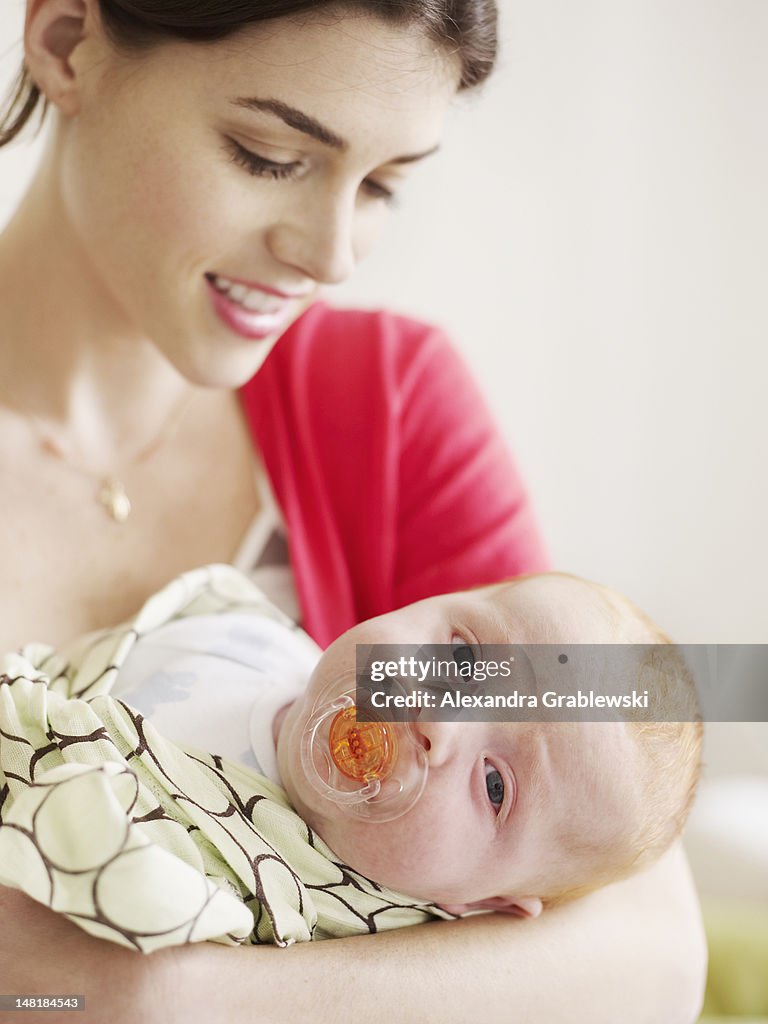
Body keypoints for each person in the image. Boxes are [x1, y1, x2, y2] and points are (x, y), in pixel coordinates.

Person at [0, 0, 706, 1021]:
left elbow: (649, 954)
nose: (331, 254)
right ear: (67, 45)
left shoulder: (386, 402)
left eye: (382, 185)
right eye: (268, 154)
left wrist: (172, 997)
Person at [1, 565, 702, 948]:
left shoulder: (300, 924)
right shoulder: (252, 637)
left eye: (495, 784)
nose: (441, 721)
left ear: (481, 903)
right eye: (462, 655)